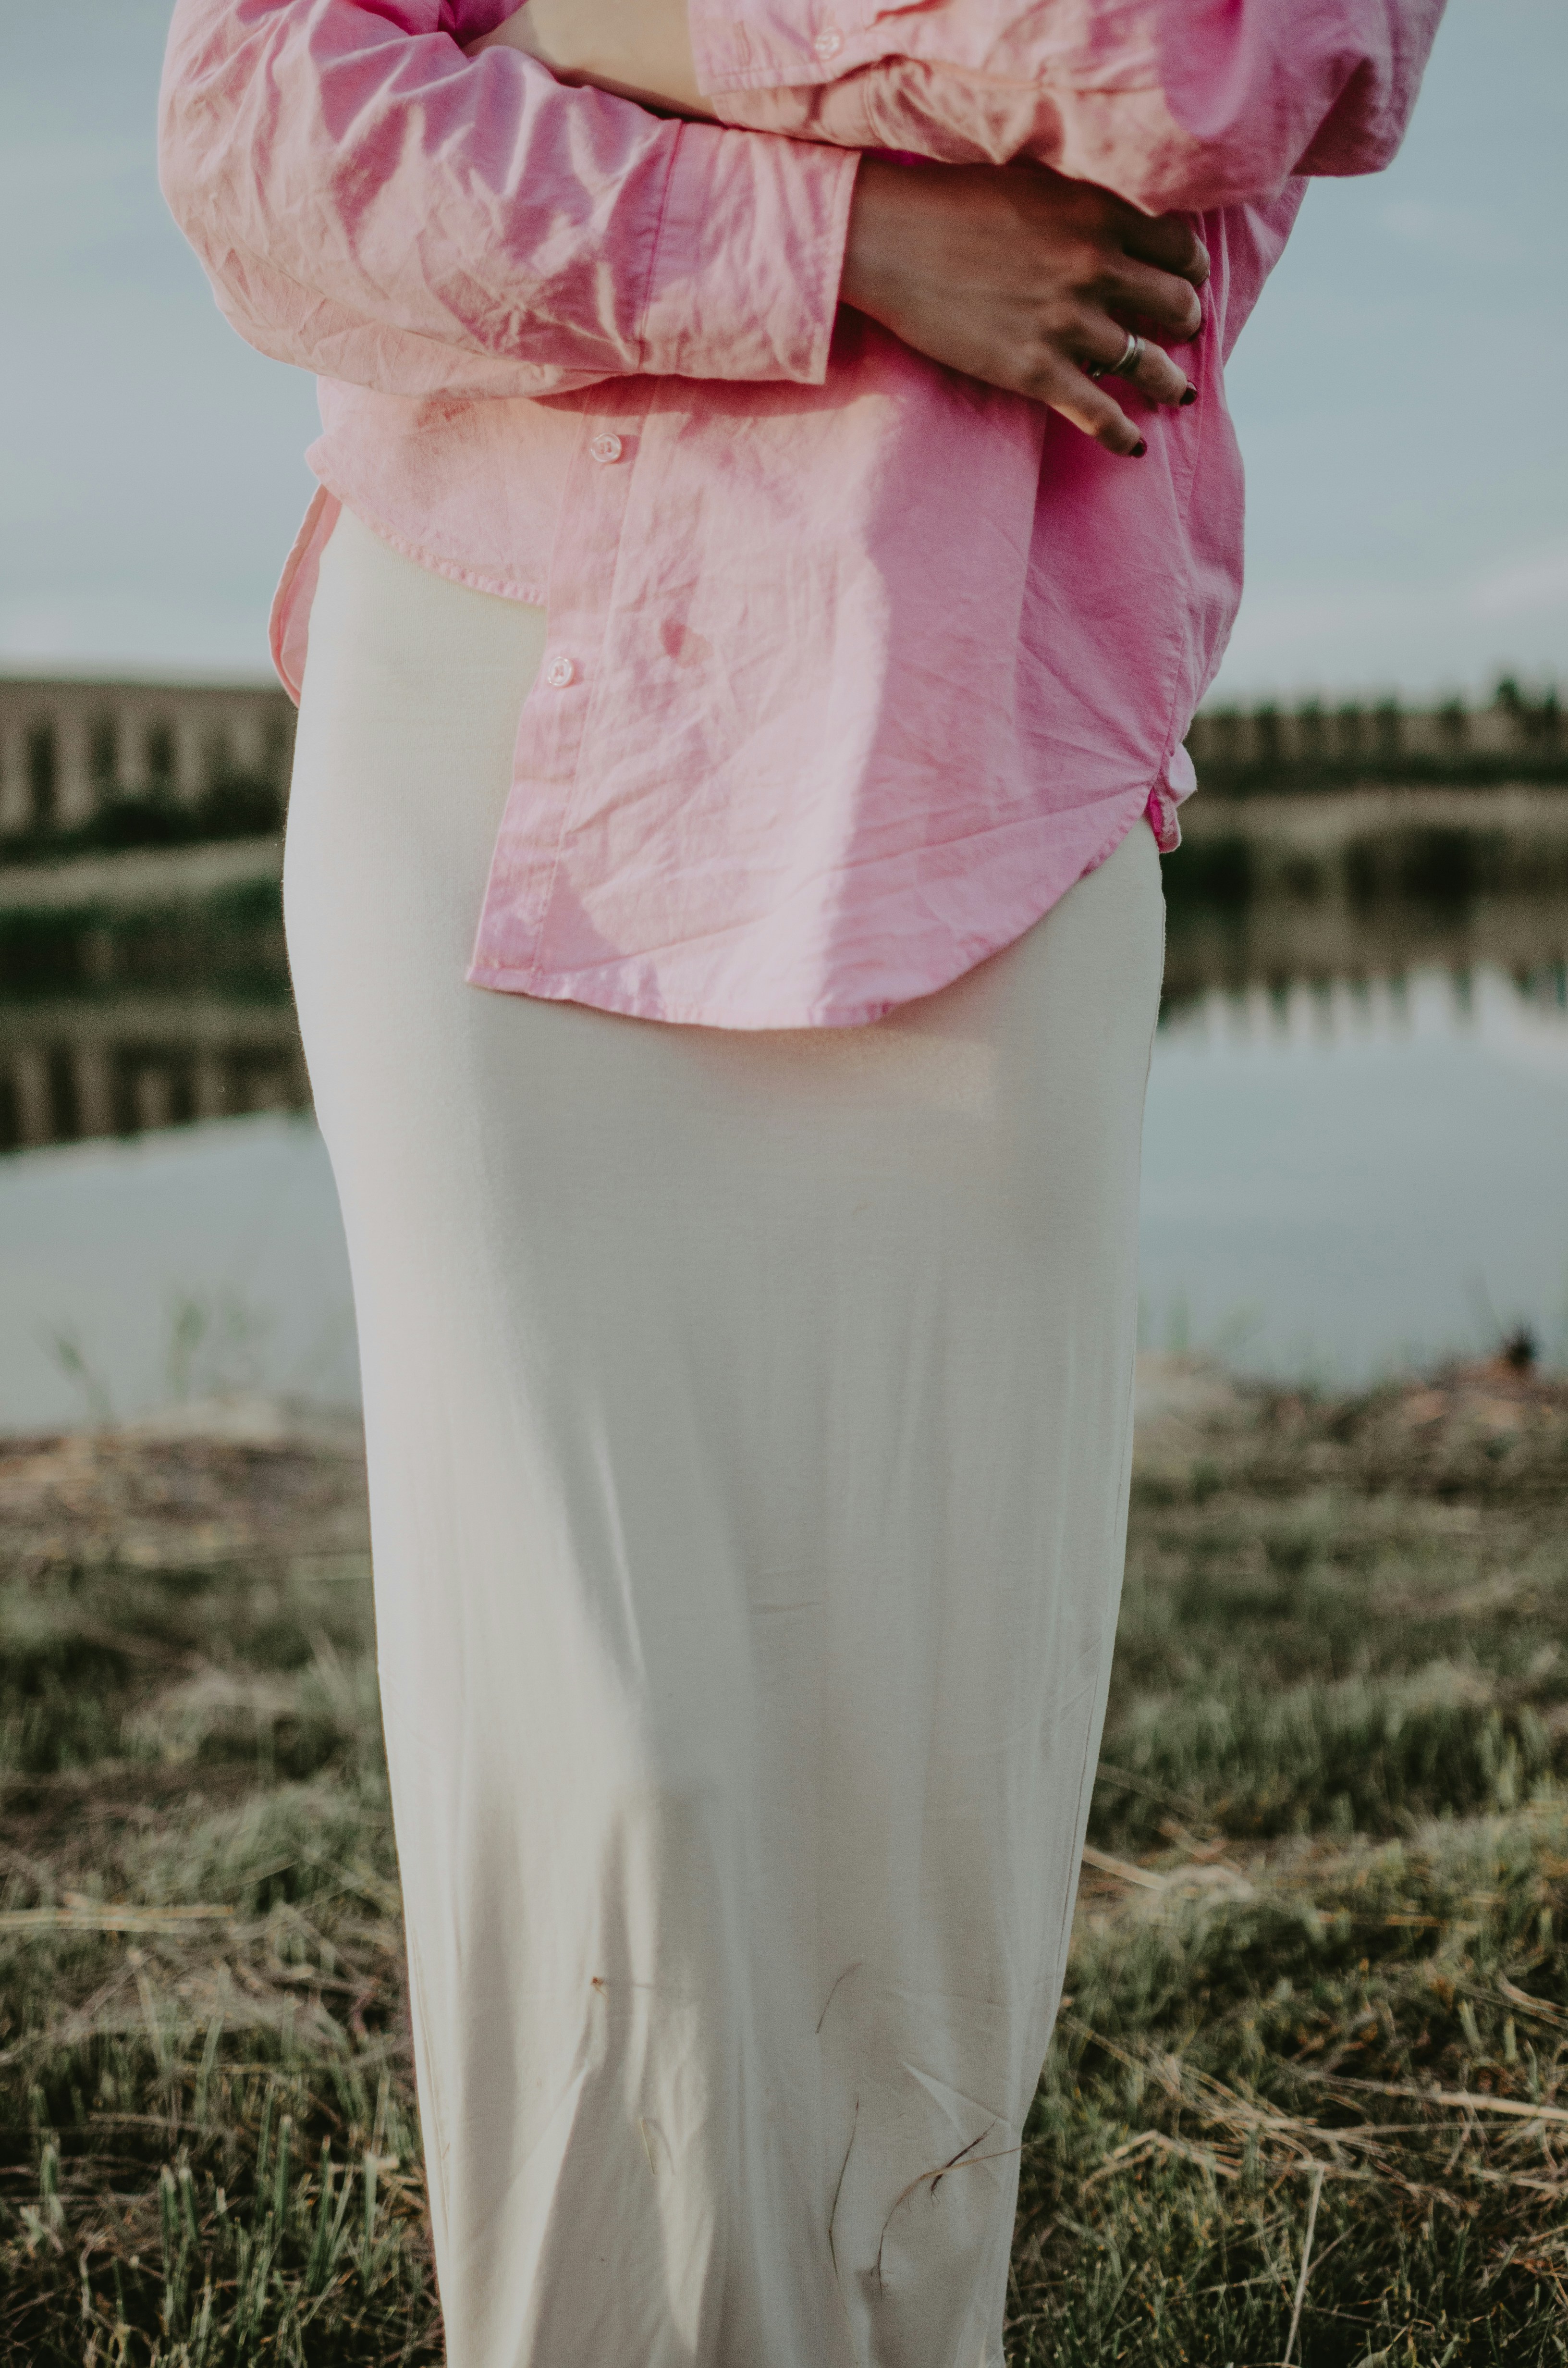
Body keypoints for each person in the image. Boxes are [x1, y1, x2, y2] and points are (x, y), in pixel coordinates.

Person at [159, 2, 1443, 2359]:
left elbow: (1185, 76)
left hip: (979, 748)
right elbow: (263, 126)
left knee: (912, 1809)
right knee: (608, 1754)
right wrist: (832, 233)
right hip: (487, 695)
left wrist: (567, 27)